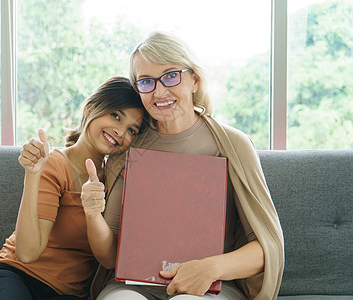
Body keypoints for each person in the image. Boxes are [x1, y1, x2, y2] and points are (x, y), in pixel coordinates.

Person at [90, 32, 284, 300]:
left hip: (210, 287)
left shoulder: (233, 145)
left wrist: (210, 268)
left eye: (171, 76)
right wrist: (90, 213)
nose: (159, 92)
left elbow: (267, 247)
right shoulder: (128, 148)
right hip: (132, 286)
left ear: (195, 80)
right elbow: (110, 254)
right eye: (146, 81)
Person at [0, 77, 148, 300]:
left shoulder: (116, 179)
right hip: (14, 274)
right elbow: (27, 253)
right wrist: (33, 175)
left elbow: (109, 259)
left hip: (67, 293)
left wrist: (93, 213)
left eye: (132, 129)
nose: (121, 132)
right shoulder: (55, 163)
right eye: (115, 116)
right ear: (91, 108)